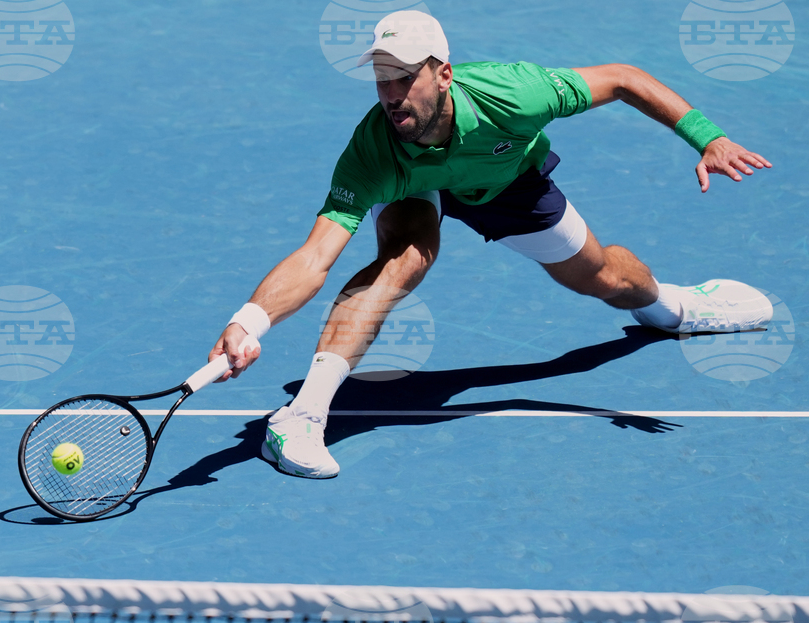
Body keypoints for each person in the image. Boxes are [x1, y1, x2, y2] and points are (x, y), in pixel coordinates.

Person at [209, 11, 774, 479]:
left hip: (505, 179)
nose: (391, 94)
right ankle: (301, 417)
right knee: (402, 262)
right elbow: (314, 258)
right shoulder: (373, 151)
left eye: (405, 77)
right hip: (415, 185)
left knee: (601, 277)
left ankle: (673, 308)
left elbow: (624, 77)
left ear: (444, 74)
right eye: (382, 79)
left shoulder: (515, 93)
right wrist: (248, 322)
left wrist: (709, 137)